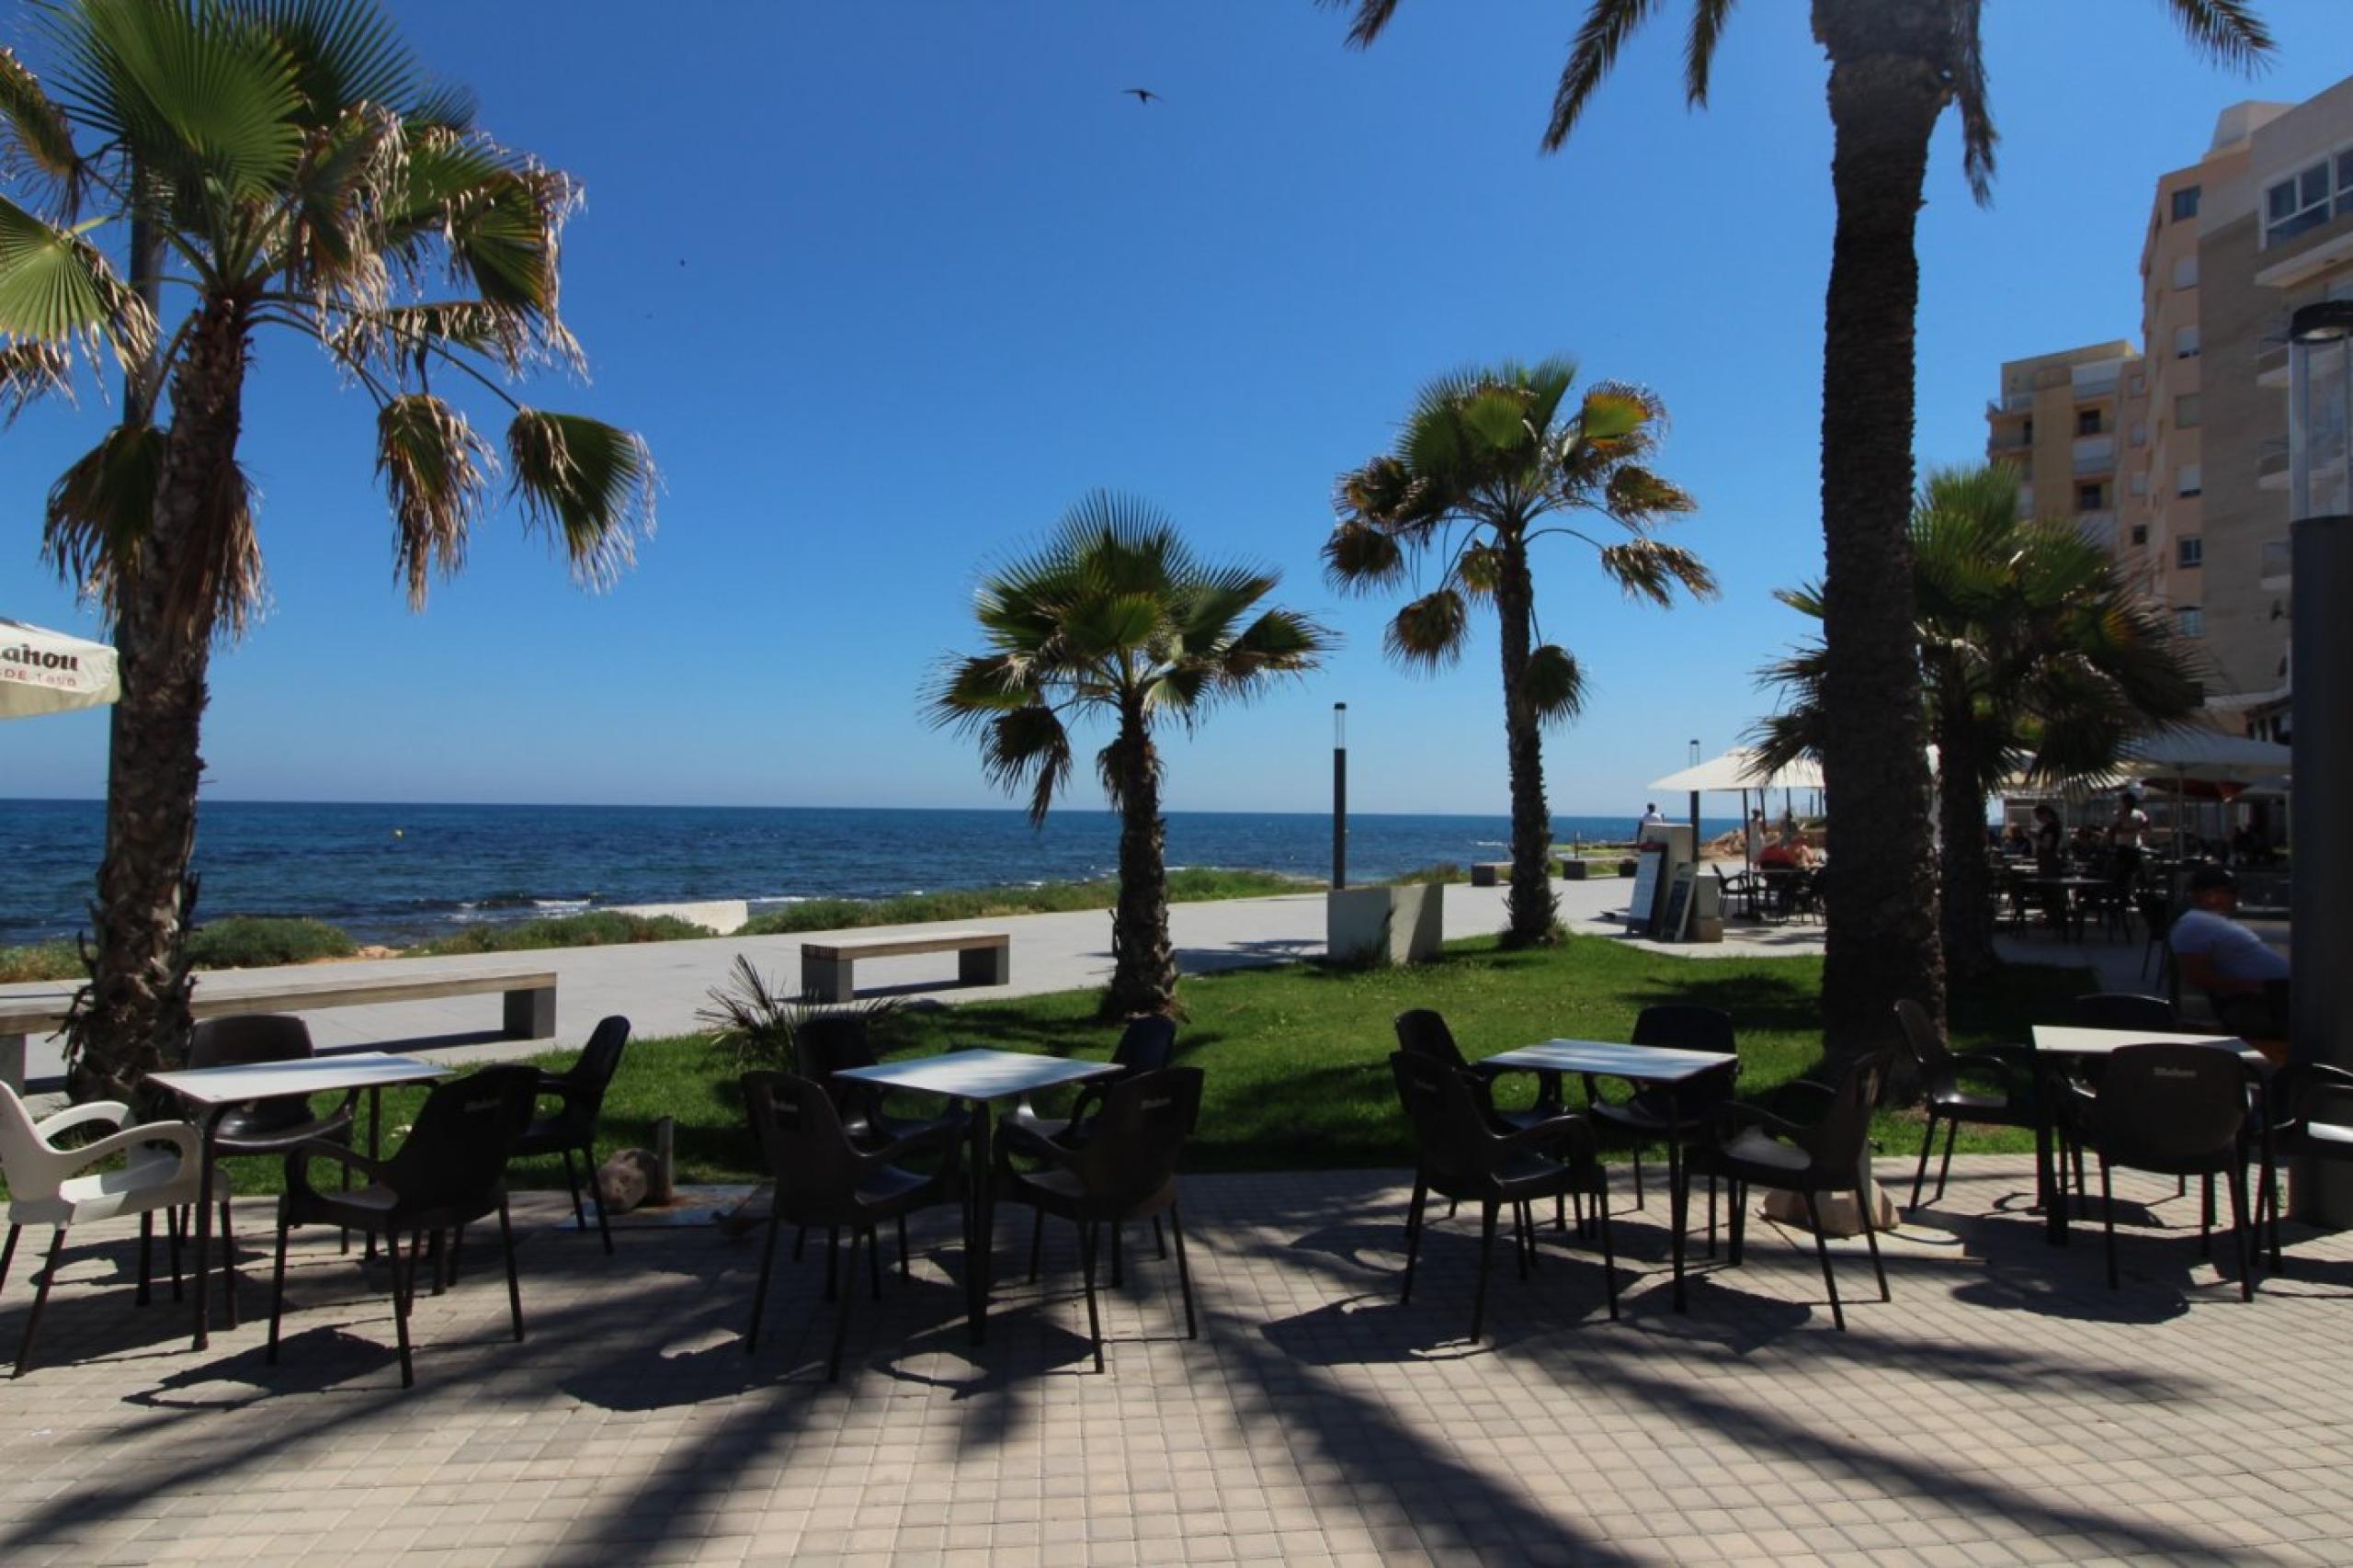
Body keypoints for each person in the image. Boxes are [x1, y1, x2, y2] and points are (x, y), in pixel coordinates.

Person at [2169, 865, 2290, 1040]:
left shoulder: (2208, 921)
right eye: (2230, 891)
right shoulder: (2193, 924)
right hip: (2264, 1002)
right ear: (2209, 895)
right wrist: (2253, 988)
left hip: (2276, 996)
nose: (2236, 897)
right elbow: (2195, 975)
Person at [2108, 791, 2149, 890]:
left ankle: (2131, 891)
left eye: (2131, 801)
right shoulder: (2119, 814)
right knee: (2122, 873)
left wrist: (2141, 830)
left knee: (2134, 872)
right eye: (2126, 801)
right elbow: (2115, 829)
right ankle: (2120, 893)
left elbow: (2146, 824)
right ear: (2123, 802)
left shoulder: (2139, 814)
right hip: (2122, 848)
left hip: (2134, 847)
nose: (2129, 803)